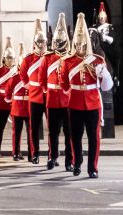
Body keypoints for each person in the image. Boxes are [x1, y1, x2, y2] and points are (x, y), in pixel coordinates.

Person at [60, 12, 113, 178]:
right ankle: (77, 164)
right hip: (75, 102)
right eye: (78, 44)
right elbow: (64, 84)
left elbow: (106, 87)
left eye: (83, 44)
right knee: (75, 137)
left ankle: (93, 168)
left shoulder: (97, 60)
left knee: (94, 138)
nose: (81, 47)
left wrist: (103, 74)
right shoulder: (68, 62)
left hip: (93, 102)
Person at [44, 13, 74, 170]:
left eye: (62, 41)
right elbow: (43, 78)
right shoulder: (48, 58)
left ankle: (69, 161)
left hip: (67, 100)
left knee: (69, 134)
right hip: (52, 100)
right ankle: (53, 156)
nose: (60, 44)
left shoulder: (70, 58)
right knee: (53, 133)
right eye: (58, 41)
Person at [19, 18, 47, 164]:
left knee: (52, 128)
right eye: (40, 42)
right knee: (33, 127)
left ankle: (52, 153)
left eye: (44, 43)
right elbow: (23, 76)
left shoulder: (49, 57)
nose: (42, 45)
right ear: (35, 43)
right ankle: (34, 153)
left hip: (48, 95)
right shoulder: (28, 59)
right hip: (35, 95)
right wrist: (31, 87)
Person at [0, 37, 18, 159]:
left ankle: (16, 152)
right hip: (1, 102)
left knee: (16, 129)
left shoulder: (16, 71)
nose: (10, 60)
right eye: (8, 58)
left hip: (14, 102)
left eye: (12, 58)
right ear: (4, 59)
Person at [10, 43, 31, 160]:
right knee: (17, 133)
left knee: (30, 133)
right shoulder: (14, 77)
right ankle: (16, 153)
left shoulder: (30, 76)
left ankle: (31, 153)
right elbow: (8, 92)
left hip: (27, 107)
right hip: (18, 108)